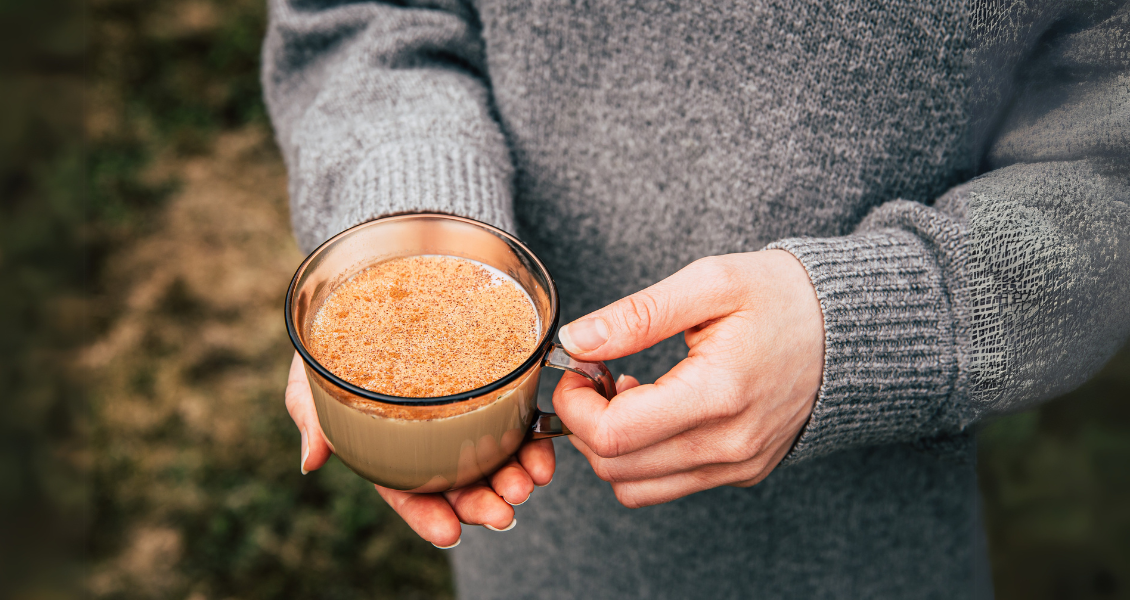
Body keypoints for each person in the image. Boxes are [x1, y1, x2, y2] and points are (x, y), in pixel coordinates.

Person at [265, 0, 1130, 596]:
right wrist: (417, 229)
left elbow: (1109, 158)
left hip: (869, 540)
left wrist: (880, 328)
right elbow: (365, 18)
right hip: (531, 524)